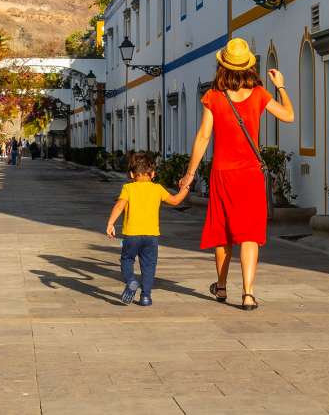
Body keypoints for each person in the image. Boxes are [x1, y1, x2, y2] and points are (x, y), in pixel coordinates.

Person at [178, 38, 294, 311]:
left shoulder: (214, 97)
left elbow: (204, 136)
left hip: (223, 172)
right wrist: (280, 87)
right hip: (250, 174)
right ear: (249, 67)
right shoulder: (260, 94)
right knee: (250, 234)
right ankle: (248, 294)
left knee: (224, 232)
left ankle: (220, 286)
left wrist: (190, 173)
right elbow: (289, 115)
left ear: (223, 66)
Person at [106, 152, 190, 306]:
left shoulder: (128, 188)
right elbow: (175, 200)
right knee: (149, 265)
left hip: (131, 235)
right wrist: (185, 188)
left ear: (132, 174)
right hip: (151, 236)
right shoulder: (157, 188)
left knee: (126, 260)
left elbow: (119, 206)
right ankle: (146, 297)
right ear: (153, 173)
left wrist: (111, 223)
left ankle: (131, 280)